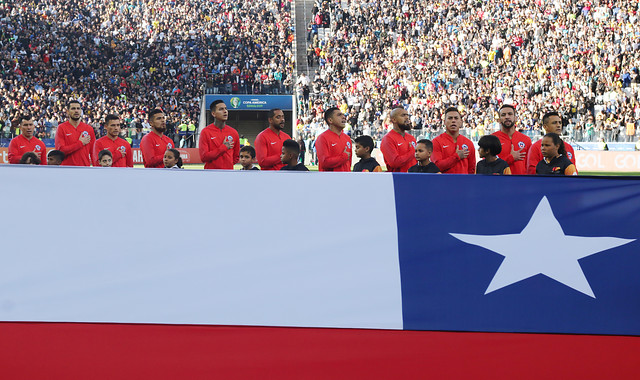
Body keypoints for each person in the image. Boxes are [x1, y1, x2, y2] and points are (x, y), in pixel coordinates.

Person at [431, 107, 476, 174]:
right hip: (444, 183)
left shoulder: (468, 143)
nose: (453, 120)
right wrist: (456, 157)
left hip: (463, 183)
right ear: (444, 122)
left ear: (461, 122)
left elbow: (471, 169)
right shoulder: (436, 142)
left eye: (456, 118)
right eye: (450, 118)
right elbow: (436, 166)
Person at [199, 100, 240, 169]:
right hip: (211, 175)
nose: (225, 111)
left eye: (226, 109)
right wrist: (223, 148)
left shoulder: (234, 132)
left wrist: (227, 165)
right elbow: (204, 157)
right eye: (221, 109)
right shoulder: (206, 132)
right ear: (213, 114)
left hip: (228, 174)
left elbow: (236, 157)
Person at [492, 104, 531, 175]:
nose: (507, 117)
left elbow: (530, 166)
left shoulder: (526, 140)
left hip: (521, 183)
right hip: (500, 183)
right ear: (499, 120)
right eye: (503, 115)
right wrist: (511, 158)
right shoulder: (492, 139)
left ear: (515, 118)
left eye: (510, 114)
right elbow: (488, 166)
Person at [54, 100, 96, 166]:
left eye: (78, 108)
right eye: (73, 108)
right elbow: (60, 151)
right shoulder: (61, 128)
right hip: (67, 170)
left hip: (84, 169)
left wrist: (96, 169)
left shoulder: (89, 129)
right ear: (68, 112)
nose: (76, 111)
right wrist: (80, 143)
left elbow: (93, 152)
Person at [380, 107, 417, 172]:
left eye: (407, 115)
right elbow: (395, 162)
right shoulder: (388, 139)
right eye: (403, 115)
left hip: (415, 178)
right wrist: (413, 151)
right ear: (394, 120)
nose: (407, 117)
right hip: (398, 179)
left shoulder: (411, 138)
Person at [315, 107, 352, 171]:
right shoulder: (322, 138)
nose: (343, 117)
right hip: (330, 180)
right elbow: (324, 162)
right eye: (339, 115)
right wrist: (343, 157)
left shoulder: (347, 138)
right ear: (330, 120)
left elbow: (349, 163)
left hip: (346, 179)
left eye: (343, 114)